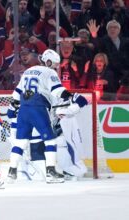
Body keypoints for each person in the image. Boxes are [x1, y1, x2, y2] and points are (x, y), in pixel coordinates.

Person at [6, 49, 88, 184]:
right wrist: (71, 96)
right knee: (50, 141)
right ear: (48, 61)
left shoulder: (28, 71)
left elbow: (16, 94)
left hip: (23, 109)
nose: (56, 67)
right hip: (38, 106)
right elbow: (57, 91)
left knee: (20, 143)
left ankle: (11, 172)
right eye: (55, 64)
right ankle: (51, 172)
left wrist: (11, 108)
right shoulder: (49, 72)